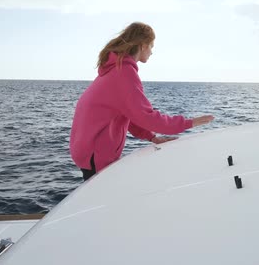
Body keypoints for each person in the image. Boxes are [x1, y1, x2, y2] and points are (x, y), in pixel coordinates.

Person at [69, 22, 214, 180]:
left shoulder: (115, 69)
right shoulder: (123, 72)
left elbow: (128, 114)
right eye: (151, 46)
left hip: (87, 150)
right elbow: (146, 116)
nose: (152, 52)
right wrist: (189, 123)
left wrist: (151, 137)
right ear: (143, 45)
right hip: (95, 154)